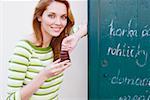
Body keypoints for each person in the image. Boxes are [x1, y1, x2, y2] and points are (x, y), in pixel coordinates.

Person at [6, 0, 87, 100]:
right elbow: (11, 98)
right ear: (39, 16)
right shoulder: (24, 49)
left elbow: (88, 26)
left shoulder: (62, 41)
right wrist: (44, 75)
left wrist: (76, 37)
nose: (58, 23)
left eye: (63, 17)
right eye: (51, 16)